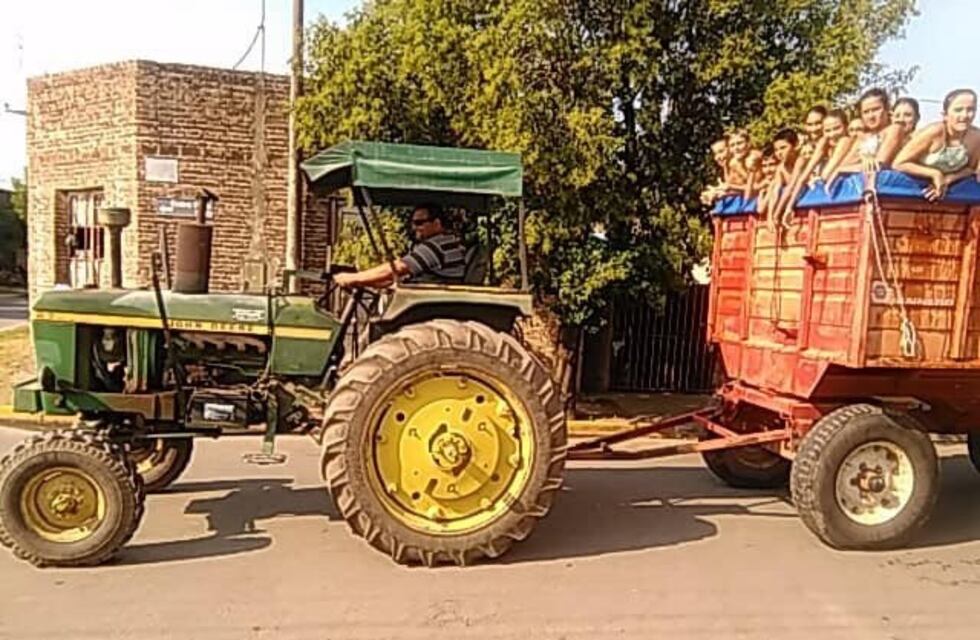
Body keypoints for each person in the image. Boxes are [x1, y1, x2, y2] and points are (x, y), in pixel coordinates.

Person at [333, 204, 466, 289]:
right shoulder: (449, 242)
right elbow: (394, 276)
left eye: (419, 223)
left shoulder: (436, 246)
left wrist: (353, 277)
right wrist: (364, 281)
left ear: (437, 223)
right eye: (413, 223)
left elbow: (398, 267)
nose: (414, 228)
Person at [894, 88, 980, 201]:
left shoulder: (976, 137)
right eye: (958, 110)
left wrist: (948, 179)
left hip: (949, 192)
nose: (964, 115)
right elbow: (899, 163)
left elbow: (970, 168)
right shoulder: (933, 132)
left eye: (970, 110)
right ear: (945, 114)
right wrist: (934, 174)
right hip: (915, 187)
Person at [775, 109, 850, 226]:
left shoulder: (845, 140)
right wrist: (789, 207)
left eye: (837, 128)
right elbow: (802, 177)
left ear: (846, 127)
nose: (832, 134)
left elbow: (826, 175)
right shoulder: (822, 144)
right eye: (828, 130)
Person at [823, 88, 893, 184]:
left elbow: (879, 165)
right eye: (866, 112)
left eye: (876, 109)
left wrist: (842, 170)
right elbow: (842, 166)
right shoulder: (862, 139)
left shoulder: (894, 129)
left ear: (887, 108)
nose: (871, 116)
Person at [876, 97, 921, 171]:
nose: (901, 119)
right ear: (891, 118)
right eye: (897, 116)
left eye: (907, 115)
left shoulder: (921, 140)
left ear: (917, 118)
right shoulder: (882, 140)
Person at [727, 129, 762, 196]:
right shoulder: (734, 163)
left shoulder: (755, 157)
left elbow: (756, 186)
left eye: (739, 143)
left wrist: (731, 187)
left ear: (748, 144)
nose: (736, 148)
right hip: (748, 194)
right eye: (732, 145)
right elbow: (734, 186)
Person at [700, 137, 732, 205]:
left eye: (721, 151)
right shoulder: (726, 169)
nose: (717, 157)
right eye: (715, 154)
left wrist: (724, 193)